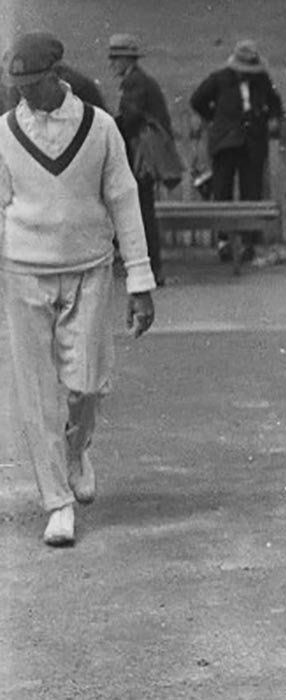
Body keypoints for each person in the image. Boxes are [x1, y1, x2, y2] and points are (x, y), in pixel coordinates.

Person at [0, 34, 157, 547]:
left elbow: (125, 200)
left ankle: (76, 448)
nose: (23, 97)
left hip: (89, 267)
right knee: (37, 393)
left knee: (85, 382)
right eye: (16, 88)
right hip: (24, 270)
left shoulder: (100, 127)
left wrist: (140, 282)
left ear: (56, 75)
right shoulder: (4, 132)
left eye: (33, 86)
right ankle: (58, 503)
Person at [189, 39, 286, 263]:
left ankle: (247, 242)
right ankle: (224, 241)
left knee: (251, 191)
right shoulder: (219, 79)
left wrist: (271, 117)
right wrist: (216, 118)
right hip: (225, 143)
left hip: (252, 143)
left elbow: (276, 103)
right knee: (222, 190)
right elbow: (197, 100)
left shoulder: (261, 80)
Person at [107, 33, 176, 286]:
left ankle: (152, 269)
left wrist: (107, 127)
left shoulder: (134, 83)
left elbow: (130, 120)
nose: (111, 63)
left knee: (142, 213)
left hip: (140, 158)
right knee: (143, 211)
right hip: (144, 157)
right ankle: (152, 268)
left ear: (128, 59)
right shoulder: (139, 80)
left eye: (116, 58)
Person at [6, 31, 107, 113]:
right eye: (20, 86)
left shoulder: (83, 91)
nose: (26, 93)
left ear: (57, 73)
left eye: (35, 85)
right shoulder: (15, 97)